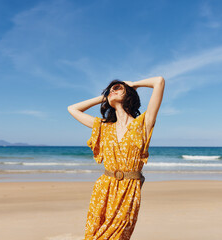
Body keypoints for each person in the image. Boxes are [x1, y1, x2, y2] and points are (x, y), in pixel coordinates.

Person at [67, 76, 165, 239]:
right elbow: (72, 109)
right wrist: (105, 96)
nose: (113, 90)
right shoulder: (104, 127)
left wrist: (133, 84)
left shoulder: (143, 124)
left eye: (117, 88)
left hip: (129, 190)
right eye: (110, 89)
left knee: (118, 235)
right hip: (104, 189)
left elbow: (159, 82)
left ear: (129, 95)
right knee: (93, 236)